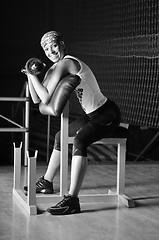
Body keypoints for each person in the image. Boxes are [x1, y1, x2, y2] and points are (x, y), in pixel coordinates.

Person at [25, 30, 121, 215]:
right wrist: (30, 75)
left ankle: (72, 200)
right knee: (61, 136)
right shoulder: (55, 67)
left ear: (62, 44)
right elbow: (37, 99)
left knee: (79, 141)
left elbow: (44, 97)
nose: (51, 51)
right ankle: (46, 182)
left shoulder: (66, 62)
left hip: (107, 113)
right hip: (92, 115)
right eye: (46, 48)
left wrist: (32, 74)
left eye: (54, 45)